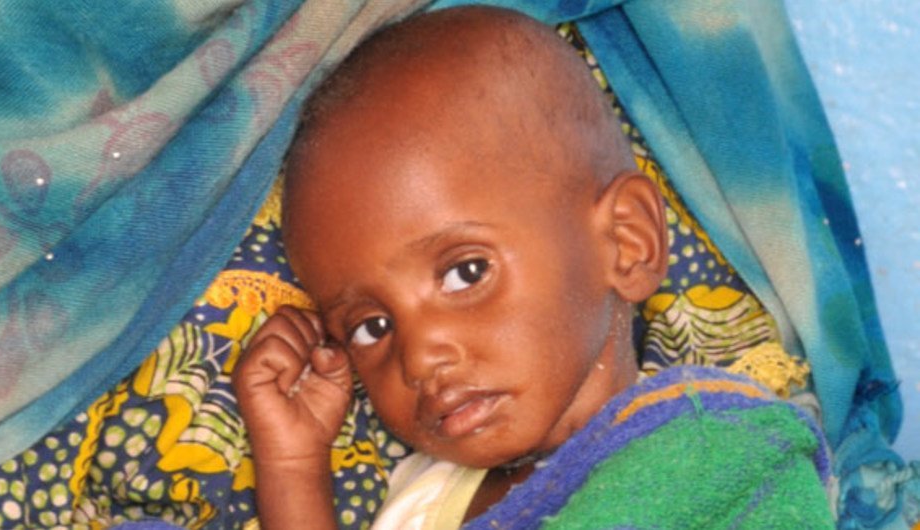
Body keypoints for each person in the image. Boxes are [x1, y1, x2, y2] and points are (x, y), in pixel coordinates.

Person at [233, 6, 833, 529]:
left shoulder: (716, 452)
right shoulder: (421, 497)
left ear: (626, 242)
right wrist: (292, 466)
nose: (419, 359)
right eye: (372, 327)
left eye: (465, 273)